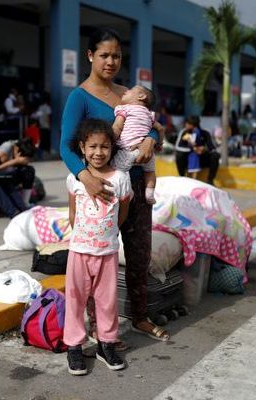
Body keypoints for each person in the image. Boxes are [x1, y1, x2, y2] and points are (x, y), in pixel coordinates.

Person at [60, 27, 169, 344]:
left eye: (116, 55)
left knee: (139, 254)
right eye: (104, 55)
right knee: (98, 258)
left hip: (133, 182)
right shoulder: (79, 97)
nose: (111, 61)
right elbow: (66, 146)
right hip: (100, 190)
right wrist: (86, 177)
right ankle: (98, 327)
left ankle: (139, 317)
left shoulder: (130, 94)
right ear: (90, 55)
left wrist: (151, 139)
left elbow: (151, 127)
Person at [64, 119, 130, 376]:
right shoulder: (75, 179)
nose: (98, 152)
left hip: (107, 252)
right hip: (79, 251)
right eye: (92, 146)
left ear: (112, 149)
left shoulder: (121, 179)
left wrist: (107, 235)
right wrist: (82, 237)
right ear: (82, 147)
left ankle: (106, 344)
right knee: (75, 300)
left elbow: (122, 214)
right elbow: (72, 214)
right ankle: (74, 346)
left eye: (104, 146)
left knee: (107, 302)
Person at [111, 84, 164, 204]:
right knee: (150, 172)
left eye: (130, 90)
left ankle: (128, 192)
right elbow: (160, 129)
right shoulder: (150, 114)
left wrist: (110, 141)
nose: (125, 92)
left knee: (119, 172)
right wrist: (159, 143)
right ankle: (149, 194)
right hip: (146, 152)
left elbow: (117, 127)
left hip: (127, 150)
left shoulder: (124, 109)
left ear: (141, 96)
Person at [0, 137, 36, 207]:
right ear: (18, 151)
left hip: (11, 175)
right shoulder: (6, 148)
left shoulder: (24, 146)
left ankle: (25, 203)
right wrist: (15, 161)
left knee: (29, 170)